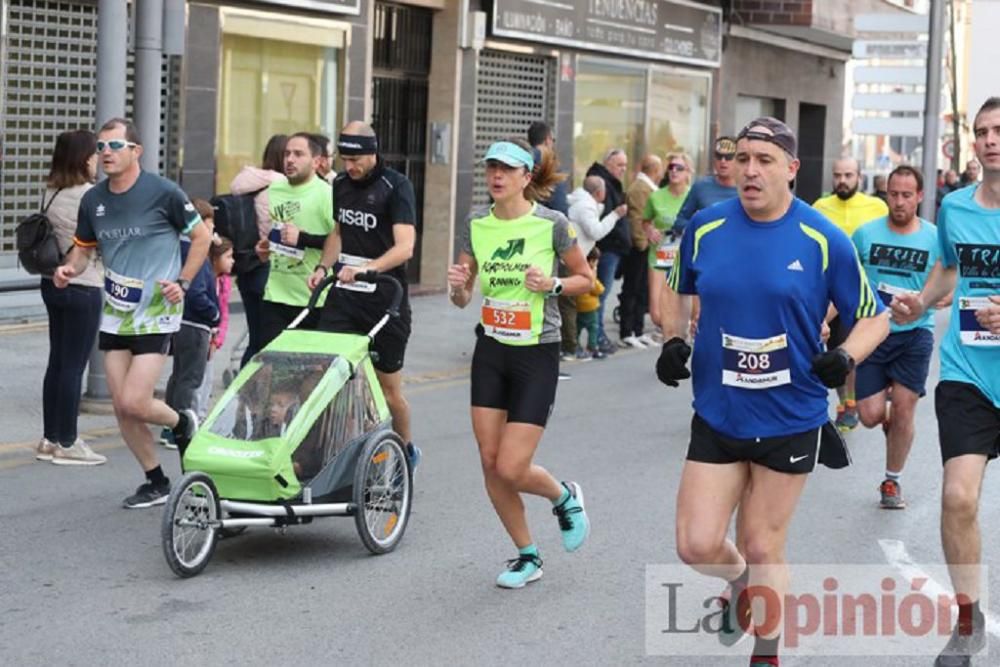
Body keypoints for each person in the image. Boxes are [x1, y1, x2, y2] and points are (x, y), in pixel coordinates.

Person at [658, 117, 888, 666]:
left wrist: (845, 357)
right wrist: (671, 338)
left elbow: (874, 318)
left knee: (764, 545)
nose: (750, 170)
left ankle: (767, 653)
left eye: (763, 160)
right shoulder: (707, 227)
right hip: (718, 410)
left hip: (790, 414)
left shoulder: (821, 238)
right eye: (742, 159)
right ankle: (739, 585)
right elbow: (674, 289)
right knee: (695, 544)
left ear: (791, 169)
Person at [447, 138, 593, 589]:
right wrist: (457, 287)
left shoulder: (552, 225)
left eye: (507, 170)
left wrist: (551, 284)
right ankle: (527, 556)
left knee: (512, 466)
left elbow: (585, 279)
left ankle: (564, 496)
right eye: (491, 167)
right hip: (492, 349)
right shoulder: (476, 222)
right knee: (490, 463)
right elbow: (463, 296)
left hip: (536, 351)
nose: (496, 176)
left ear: (526, 178)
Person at [53, 117, 211, 508]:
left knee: (135, 401)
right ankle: (156, 480)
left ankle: (182, 422)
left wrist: (184, 282)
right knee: (122, 405)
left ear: (135, 151)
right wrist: (70, 267)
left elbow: (202, 237)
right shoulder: (94, 200)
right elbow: (84, 247)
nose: (105, 153)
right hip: (116, 310)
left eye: (114, 146)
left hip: (157, 309)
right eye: (101, 147)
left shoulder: (164, 193)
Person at [892, 97, 1000, 667]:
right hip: (968, 372)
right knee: (958, 497)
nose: (989, 140)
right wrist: (920, 303)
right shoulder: (956, 207)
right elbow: (949, 268)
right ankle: (967, 620)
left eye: (999, 130)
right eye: (981, 131)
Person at [308, 121, 421, 469]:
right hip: (345, 297)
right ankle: (335, 454)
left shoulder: (396, 186)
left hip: (386, 300)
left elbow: (405, 248)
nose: (350, 167)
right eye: (345, 159)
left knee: (389, 391)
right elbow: (338, 233)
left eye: (356, 159)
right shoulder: (340, 184)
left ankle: (405, 451)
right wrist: (324, 268)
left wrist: (368, 268)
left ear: (373, 153)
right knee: (329, 376)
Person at [851, 165, 939, 510]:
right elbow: (846, 283)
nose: (899, 202)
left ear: (919, 196)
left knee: (904, 408)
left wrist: (921, 304)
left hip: (916, 333)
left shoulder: (934, 237)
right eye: (893, 194)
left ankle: (892, 481)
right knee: (870, 417)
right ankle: (894, 423)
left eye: (906, 195)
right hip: (873, 331)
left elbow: (947, 290)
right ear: (885, 194)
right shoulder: (865, 234)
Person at [36, 129, 105, 465]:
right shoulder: (89, 196)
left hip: (52, 283)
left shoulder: (52, 192)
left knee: (58, 362)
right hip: (83, 284)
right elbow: (101, 242)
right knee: (73, 367)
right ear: (84, 158)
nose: (98, 160)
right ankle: (68, 441)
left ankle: (50, 438)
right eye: (95, 154)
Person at [813, 157, 889, 431]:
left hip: (862, 290)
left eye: (848, 175)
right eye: (837, 175)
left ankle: (851, 406)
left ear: (859, 177)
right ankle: (845, 402)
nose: (842, 180)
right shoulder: (820, 207)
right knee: (832, 347)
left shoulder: (876, 207)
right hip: (827, 289)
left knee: (850, 345)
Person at [255, 133, 334, 348]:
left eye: (298, 154)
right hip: (276, 295)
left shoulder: (327, 195)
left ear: (316, 162)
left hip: (313, 298)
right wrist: (266, 249)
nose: (290, 159)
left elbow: (341, 242)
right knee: (272, 367)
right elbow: (279, 232)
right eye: (287, 154)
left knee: (307, 372)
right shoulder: (275, 190)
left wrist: (303, 239)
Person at [160, 198, 221, 449]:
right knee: (190, 378)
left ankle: (169, 424)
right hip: (196, 324)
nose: (212, 230)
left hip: (178, 322)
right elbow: (196, 293)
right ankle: (181, 428)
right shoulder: (196, 253)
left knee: (178, 375)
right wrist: (214, 314)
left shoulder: (178, 247)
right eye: (210, 224)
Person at [230, 133, 286, 366]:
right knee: (271, 340)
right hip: (269, 267)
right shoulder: (281, 186)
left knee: (256, 338)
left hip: (246, 267)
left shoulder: (249, 183)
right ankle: (255, 393)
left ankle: (242, 393)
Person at [643, 151, 691, 336]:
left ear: (688, 172)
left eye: (679, 168)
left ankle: (676, 347)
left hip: (686, 260)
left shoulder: (693, 197)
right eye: (671, 167)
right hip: (660, 259)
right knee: (657, 315)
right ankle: (673, 338)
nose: (674, 171)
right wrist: (649, 230)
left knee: (690, 314)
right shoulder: (656, 197)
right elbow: (645, 220)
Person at [586, 148, 629, 355]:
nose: (623, 169)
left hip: (612, 247)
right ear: (608, 163)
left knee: (599, 294)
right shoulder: (600, 182)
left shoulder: (610, 182)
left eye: (625, 165)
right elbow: (603, 219)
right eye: (620, 165)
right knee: (599, 295)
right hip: (606, 248)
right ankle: (598, 336)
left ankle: (597, 335)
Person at [619, 154, 664, 348]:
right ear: (654, 170)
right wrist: (642, 243)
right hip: (640, 247)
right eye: (660, 169)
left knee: (642, 289)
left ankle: (638, 330)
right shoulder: (640, 188)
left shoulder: (648, 188)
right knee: (633, 287)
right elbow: (637, 219)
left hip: (648, 245)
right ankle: (627, 331)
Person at [193, 235, 235, 420]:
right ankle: (189, 417)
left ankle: (200, 416)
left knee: (208, 378)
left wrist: (218, 339)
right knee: (195, 379)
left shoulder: (224, 282)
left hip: (212, 336)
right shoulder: (206, 278)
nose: (232, 261)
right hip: (200, 332)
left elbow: (224, 312)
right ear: (215, 259)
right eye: (228, 256)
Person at [673, 135, 738, 232]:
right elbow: (679, 222)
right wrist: (698, 228)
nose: (723, 161)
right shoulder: (700, 187)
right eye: (719, 156)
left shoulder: (748, 189)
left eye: (729, 157)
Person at [576, 247, 606, 359]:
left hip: (578, 305)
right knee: (593, 327)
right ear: (591, 261)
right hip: (590, 306)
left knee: (577, 327)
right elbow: (595, 288)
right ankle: (592, 346)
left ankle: (575, 345)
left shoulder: (578, 270)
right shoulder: (590, 273)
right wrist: (601, 288)